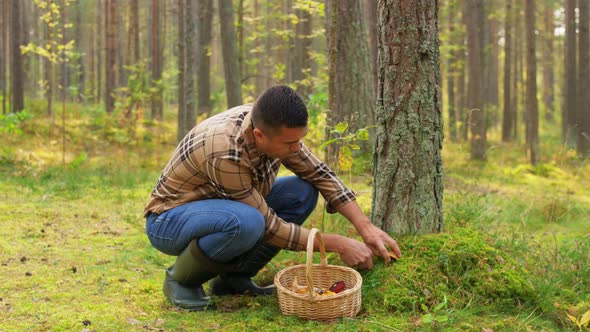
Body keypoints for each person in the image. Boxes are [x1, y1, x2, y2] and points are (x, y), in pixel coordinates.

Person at [144, 85, 401, 311]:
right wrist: (336, 243)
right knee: (248, 221)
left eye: (300, 140)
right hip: (169, 220)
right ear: (259, 136)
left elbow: (320, 174)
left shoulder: (273, 125)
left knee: (301, 192)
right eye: (291, 143)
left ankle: (234, 278)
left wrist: (365, 227)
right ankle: (181, 280)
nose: (297, 148)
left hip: (227, 208)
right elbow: (269, 227)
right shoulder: (224, 150)